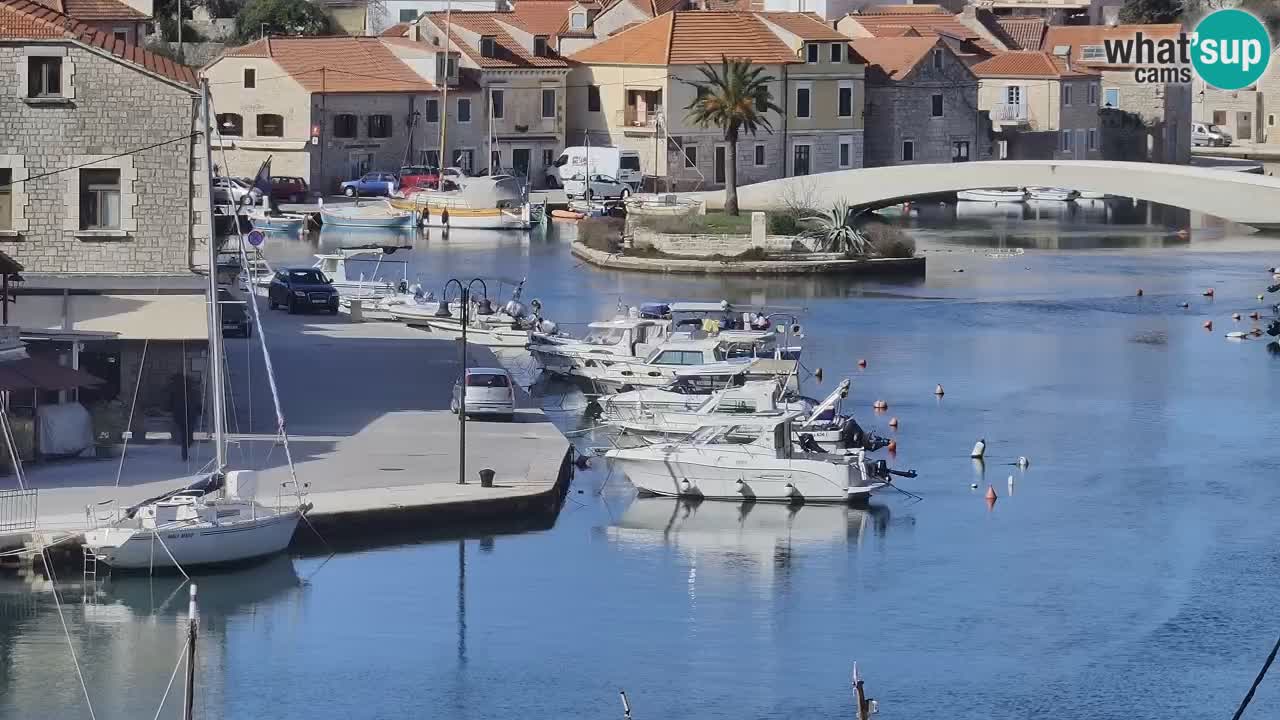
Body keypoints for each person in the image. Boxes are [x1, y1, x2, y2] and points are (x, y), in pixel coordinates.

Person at [167, 373, 202, 461]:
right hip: (188, 414)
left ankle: (185, 450)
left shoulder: (176, 390)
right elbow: (196, 401)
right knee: (187, 433)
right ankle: (185, 449)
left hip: (181, 414)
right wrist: (200, 410)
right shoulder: (190, 390)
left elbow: (170, 402)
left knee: (184, 434)